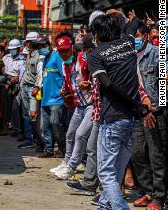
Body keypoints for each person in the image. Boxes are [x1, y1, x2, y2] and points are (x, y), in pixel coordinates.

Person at [87, 14, 155, 210]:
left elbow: (107, 85)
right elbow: (134, 23)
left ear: (98, 34)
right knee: (117, 170)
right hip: (133, 120)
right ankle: (105, 206)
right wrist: (138, 107)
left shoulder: (95, 54)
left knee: (106, 172)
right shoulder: (127, 43)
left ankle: (119, 208)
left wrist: (137, 104)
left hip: (113, 119)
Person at [131, 24, 166, 209]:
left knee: (156, 155)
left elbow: (164, 84)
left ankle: (160, 197)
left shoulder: (157, 54)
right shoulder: (130, 56)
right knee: (137, 152)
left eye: (137, 36)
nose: (135, 40)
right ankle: (147, 191)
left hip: (154, 112)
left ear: (145, 35)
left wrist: (155, 108)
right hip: (137, 111)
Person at [53, 33, 93, 178]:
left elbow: (96, 74)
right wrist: (64, 91)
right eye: (61, 51)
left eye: (66, 50)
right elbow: (68, 82)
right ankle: (66, 162)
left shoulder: (83, 58)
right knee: (70, 134)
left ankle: (72, 166)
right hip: (79, 106)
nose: (63, 54)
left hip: (91, 104)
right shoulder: (66, 65)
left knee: (80, 135)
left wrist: (91, 84)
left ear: (72, 49)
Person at [35, 35, 66, 158]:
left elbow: (64, 75)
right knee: (45, 126)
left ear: (48, 44)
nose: (41, 48)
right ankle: (48, 149)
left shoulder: (57, 56)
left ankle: (62, 148)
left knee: (55, 123)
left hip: (56, 98)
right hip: (45, 98)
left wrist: (63, 91)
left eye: (43, 46)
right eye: (39, 46)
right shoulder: (45, 59)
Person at [19, 32, 43, 149]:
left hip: (33, 88)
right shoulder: (29, 54)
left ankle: (37, 140)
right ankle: (28, 139)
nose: (26, 44)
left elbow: (40, 74)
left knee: (33, 114)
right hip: (25, 87)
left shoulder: (39, 56)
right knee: (25, 114)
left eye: (28, 42)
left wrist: (37, 86)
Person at [3, 39, 24, 137]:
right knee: (6, 107)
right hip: (6, 83)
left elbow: (21, 74)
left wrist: (16, 78)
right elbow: (3, 68)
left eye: (14, 49)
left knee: (16, 108)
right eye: (11, 49)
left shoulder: (22, 59)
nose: (12, 51)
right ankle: (7, 127)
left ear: (19, 48)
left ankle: (18, 129)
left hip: (17, 85)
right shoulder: (6, 58)